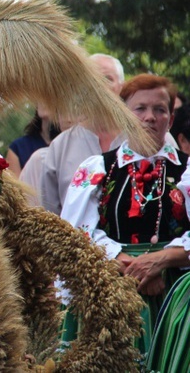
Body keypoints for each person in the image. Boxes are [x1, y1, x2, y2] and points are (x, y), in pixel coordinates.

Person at [61, 74, 190, 352]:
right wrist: (127, 263)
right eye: (140, 109)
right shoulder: (98, 168)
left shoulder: (187, 170)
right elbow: (75, 232)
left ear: (169, 119)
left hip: (177, 300)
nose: (150, 117)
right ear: (123, 115)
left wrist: (161, 260)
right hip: (110, 294)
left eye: (159, 109)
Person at [40, 53, 125, 215]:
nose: (100, 86)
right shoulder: (60, 146)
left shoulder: (147, 139)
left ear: (122, 86)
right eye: (93, 79)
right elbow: (49, 213)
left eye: (108, 79)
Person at [5, 104, 58, 178]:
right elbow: (16, 188)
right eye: (41, 96)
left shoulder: (72, 144)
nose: (44, 100)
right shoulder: (18, 147)